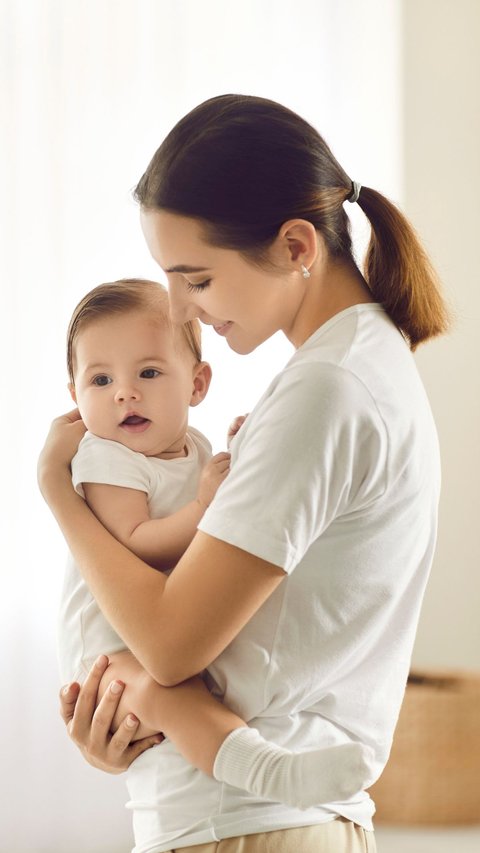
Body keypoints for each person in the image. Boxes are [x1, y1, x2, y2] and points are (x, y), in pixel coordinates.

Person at [38, 94, 450, 853]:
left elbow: (169, 647)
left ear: (296, 246)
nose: (180, 307)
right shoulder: (348, 370)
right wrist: (120, 727)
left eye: (194, 278)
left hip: (250, 825)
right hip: (247, 819)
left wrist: (58, 496)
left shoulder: (331, 388)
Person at [59, 276, 370, 813]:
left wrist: (243, 450)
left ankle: (277, 767)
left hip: (151, 629)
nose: (124, 393)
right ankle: (269, 771)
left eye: (149, 373)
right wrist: (204, 507)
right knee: (172, 699)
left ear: (197, 385)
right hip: (109, 650)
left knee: (191, 696)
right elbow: (139, 543)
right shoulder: (104, 458)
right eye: (101, 379)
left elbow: (224, 526)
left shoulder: (193, 448)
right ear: (76, 398)